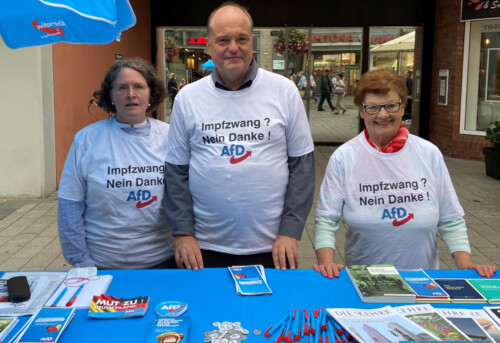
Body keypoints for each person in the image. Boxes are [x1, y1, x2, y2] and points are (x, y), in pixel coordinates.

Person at [164, 2, 315, 271]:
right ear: (209, 46)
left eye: (241, 38)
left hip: (273, 246)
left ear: (252, 43)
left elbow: (303, 169)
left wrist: (291, 231)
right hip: (203, 248)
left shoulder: (284, 91)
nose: (233, 47)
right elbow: (176, 172)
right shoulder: (187, 97)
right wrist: (183, 233)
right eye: (223, 40)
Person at [313, 69, 496, 279]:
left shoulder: (428, 153)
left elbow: (450, 219)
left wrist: (466, 267)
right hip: (365, 281)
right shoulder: (344, 157)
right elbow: (327, 219)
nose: (382, 114)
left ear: (402, 108)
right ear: (361, 111)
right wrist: (326, 266)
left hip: (422, 281)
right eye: (372, 107)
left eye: (391, 105)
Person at [57, 58, 175, 269]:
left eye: (138, 86)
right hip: (102, 265)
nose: (131, 94)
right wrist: (81, 261)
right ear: (110, 96)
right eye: (122, 88)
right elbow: (69, 206)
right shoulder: (86, 140)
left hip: (162, 262)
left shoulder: (170, 136)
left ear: (151, 94)